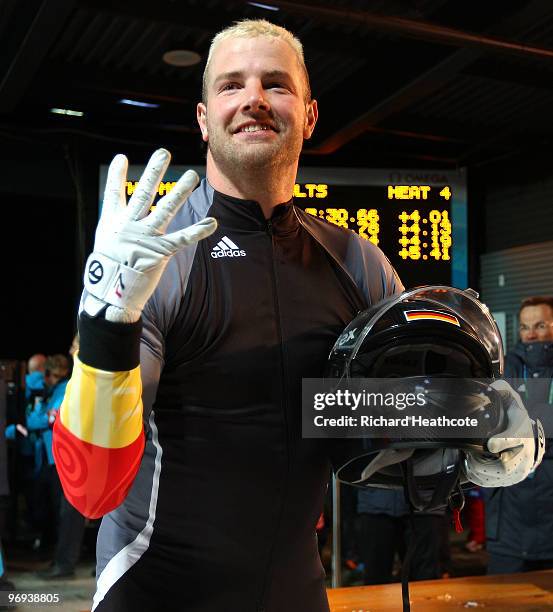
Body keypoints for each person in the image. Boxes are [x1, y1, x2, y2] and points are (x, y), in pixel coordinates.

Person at [52, 19, 541, 612]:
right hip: (155, 591)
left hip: (295, 591)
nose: (253, 98)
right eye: (231, 84)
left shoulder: (356, 262)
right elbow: (92, 491)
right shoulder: (161, 262)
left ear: (309, 116)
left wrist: (481, 441)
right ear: (204, 120)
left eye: (275, 84)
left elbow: (364, 438)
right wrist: (105, 328)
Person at [484, 296, 553, 574]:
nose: (532, 334)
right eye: (525, 327)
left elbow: (514, 423)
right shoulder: (502, 368)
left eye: (540, 325)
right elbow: (492, 424)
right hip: (509, 519)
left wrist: (522, 421)